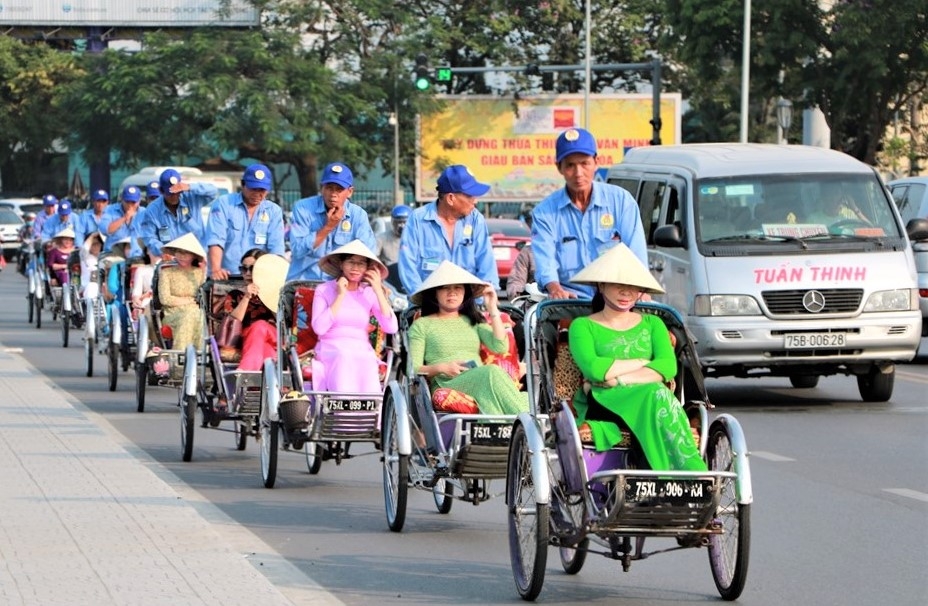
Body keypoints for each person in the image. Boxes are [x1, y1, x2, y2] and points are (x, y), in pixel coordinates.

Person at [567, 243, 705, 471]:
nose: (626, 292)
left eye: (633, 286)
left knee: (656, 393)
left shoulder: (654, 324)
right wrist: (642, 363)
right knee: (656, 392)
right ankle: (688, 473)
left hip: (649, 398)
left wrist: (619, 379)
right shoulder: (582, 326)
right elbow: (594, 368)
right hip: (606, 403)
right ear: (601, 285)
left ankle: (671, 479)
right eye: (619, 284)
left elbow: (667, 366)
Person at [531, 127, 648, 299]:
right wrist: (555, 289)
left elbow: (636, 255)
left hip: (618, 301)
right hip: (571, 303)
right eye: (570, 165)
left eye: (584, 163)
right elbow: (545, 261)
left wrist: (640, 292)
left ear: (596, 162)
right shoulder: (545, 213)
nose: (578, 173)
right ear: (559, 167)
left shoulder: (621, 201)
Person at [408, 260, 528, 416]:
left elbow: (500, 346)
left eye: (458, 287)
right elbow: (413, 369)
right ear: (435, 293)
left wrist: (492, 308)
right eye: (445, 288)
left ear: (465, 293)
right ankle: (528, 423)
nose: (452, 293)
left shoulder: (473, 320)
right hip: (447, 381)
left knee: (509, 384)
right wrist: (443, 368)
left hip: (479, 375)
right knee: (492, 372)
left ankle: (509, 426)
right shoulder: (422, 325)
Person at [310, 240, 398, 393]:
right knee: (344, 355)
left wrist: (377, 289)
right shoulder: (323, 290)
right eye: (351, 262)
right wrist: (340, 296)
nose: (356, 268)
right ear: (341, 264)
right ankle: (342, 409)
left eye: (361, 264)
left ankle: (368, 411)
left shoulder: (369, 293)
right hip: (331, 349)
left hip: (362, 349)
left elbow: (391, 327)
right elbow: (319, 328)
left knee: (367, 358)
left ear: (367, 268)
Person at [398, 165, 498, 295]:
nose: (475, 201)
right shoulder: (418, 220)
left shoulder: (476, 220)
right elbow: (408, 267)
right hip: (427, 307)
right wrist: (422, 302)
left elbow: (486, 265)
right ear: (451, 198)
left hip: (469, 305)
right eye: (470, 196)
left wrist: (483, 300)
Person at [286, 162, 376, 281]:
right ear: (321, 188)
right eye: (329, 188)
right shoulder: (303, 208)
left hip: (341, 284)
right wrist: (328, 227)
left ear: (350, 192)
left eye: (339, 189)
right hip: (305, 280)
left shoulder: (358, 215)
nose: (333, 194)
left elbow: (368, 255)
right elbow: (297, 250)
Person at [206, 163, 285, 280]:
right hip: (226, 276)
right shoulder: (224, 203)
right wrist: (216, 270)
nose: (258, 194)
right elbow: (216, 239)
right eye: (253, 189)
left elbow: (276, 248)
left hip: (258, 278)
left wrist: (274, 278)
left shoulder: (274, 211)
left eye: (262, 190)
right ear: (243, 185)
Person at [220, 249, 289, 371]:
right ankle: (269, 385)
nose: (247, 273)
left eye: (252, 269)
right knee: (266, 351)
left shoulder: (278, 292)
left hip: (275, 335)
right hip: (247, 337)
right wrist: (246, 297)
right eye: (243, 268)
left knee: (260, 326)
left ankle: (245, 372)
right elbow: (233, 321)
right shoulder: (235, 294)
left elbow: (283, 320)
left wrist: (268, 294)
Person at [139, 168, 218, 264]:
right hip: (172, 260)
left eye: (178, 192)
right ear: (161, 190)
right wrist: (161, 251)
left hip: (198, 258)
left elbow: (213, 192)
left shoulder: (192, 197)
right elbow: (149, 237)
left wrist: (190, 186)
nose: (175, 196)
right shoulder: (152, 210)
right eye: (170, 194)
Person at [157, 233, 207, 352]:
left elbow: (203, 297)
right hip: (172, 313)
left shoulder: (200, 273)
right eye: (179, 252)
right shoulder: (166, 273)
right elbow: (165, 299)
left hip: (196, 312)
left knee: (200, 316)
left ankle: (200, 355)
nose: (182, 256)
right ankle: (181, 356)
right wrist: (189, 301)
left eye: (186, 253)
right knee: (191, 314)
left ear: (194, 255)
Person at [100, 185, 147, 258]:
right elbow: (105, 230)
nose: (130, 205)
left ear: (139, 202)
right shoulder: (110, 210)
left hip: (137, 257)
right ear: (122, 199)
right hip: (113, 254)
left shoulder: (144, 213)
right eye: (127, 202)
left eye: (133, 202)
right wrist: (124, 217)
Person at [79, 232, 105, 299]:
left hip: (103, 285)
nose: (95, 247)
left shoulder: (105, 258)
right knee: (92, 286)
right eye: (93, 244)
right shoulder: (85, 257)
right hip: (88, 286)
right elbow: (84, 250)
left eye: (97, 244)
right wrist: (92, 236)